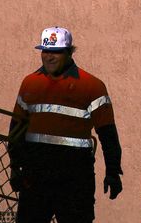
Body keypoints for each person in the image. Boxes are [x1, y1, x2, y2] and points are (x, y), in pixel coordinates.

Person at [8, 26, 123, 223]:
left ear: (69, 53)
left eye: (56, 52)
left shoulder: (92, 86)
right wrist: (15, 166)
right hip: (36, 178)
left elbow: (107, 133)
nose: (49, 57)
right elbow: (16, 129)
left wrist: (113, 171)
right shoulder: (29, 83)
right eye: (45, 51)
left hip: (74, 180)